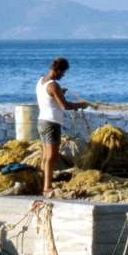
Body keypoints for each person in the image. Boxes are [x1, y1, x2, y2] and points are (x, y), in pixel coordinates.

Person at [36, 57, 89, 197]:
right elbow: (65, 105)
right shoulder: (54, 85)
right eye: (63, 72)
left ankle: (43, 185)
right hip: (51, 123)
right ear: (59, 71)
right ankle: (47, 188)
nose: (63, 75)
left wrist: (60, 92)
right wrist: (81, 105)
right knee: (51, 157)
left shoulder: (41, 82)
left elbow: (50, 97)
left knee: (45, 156)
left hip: (41, 121)